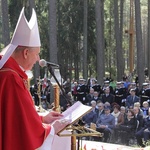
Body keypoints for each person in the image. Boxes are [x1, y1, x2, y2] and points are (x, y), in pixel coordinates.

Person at [0, 8, 70, 150]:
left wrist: (42, 119)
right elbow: (23, 134)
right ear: (26, 53)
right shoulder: (11, 78)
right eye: (37, 54)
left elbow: (15, 119)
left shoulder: (8, 71)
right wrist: (52, 129)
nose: (38, 59)